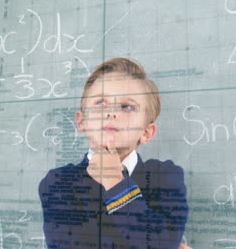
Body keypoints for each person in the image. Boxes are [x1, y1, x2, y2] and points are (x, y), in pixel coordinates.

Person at [38, 58, 190, 248]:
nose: (111, 112)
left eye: (127, 107)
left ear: (146, 132)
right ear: (81, 121)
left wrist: (115, 183)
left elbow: (160, 243)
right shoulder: (59, 182)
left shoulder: (166, 176)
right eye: (101, 102)